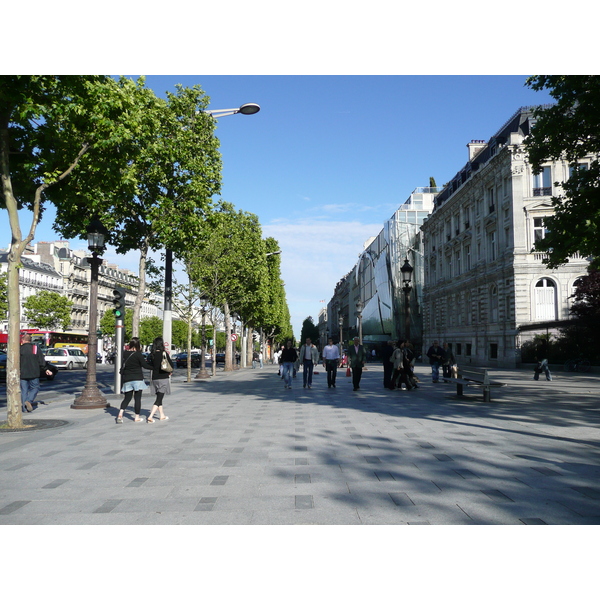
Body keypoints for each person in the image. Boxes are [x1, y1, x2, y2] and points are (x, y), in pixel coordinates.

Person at [116, 337, 151, 423]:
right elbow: (145, 365)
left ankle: (120, 414)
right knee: (137, 398)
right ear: (138, 345)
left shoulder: (125, 354)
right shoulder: (138, 354)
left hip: (127, 378)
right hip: (137, 378)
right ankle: (137, 417)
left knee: (127, 398)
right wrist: (154, 367)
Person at [19, 333, 53, 412]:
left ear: (23, 340)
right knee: (35, 388)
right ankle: (29, 401)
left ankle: (24, 409)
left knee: (24, 390)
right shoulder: (35, 348)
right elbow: (41, 361)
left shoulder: (19, 349)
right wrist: (46, 369)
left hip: (22, 373)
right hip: (34, 373)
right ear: (30, 340)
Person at [146, 337, 173, 422]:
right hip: (163, 377)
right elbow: (171, 365)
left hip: (154, 378)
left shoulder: (152, 355)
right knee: (159, 399)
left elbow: (149, 365)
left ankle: (162, 415)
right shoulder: (164, 354)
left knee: (159, 397)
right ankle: (150, 416)